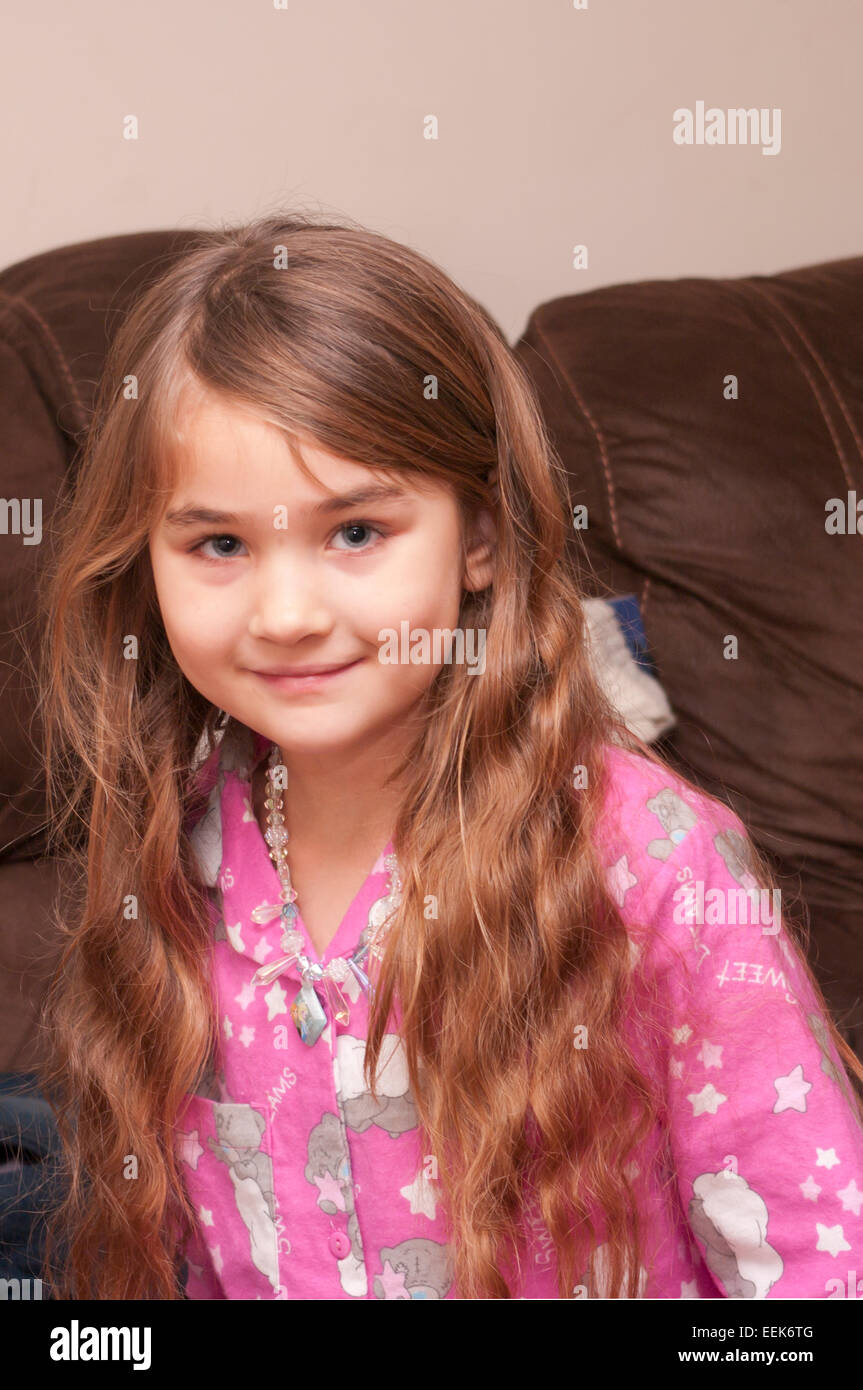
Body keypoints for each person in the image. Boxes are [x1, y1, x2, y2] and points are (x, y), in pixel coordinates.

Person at [32, 212, 863, 1300]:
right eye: (220, 544)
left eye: (356, 532)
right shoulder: (174, 848)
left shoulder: (652, 859)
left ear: (478, 537)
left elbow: (813, 1261)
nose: (286, 613)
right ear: (145, 563)